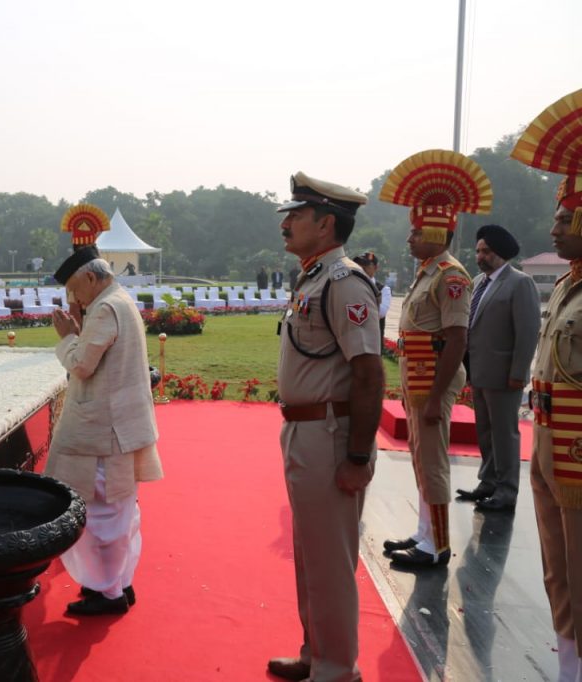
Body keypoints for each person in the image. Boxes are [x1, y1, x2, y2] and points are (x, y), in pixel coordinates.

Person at [269, 172, 383, 682]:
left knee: (330, 561)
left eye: (296, 215)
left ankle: (338, 669)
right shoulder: (313, 277)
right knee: (310, 554)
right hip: (304, 431)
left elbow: (368, 372)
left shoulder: (344, 281)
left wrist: (357, 456)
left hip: (331, 434)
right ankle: (316, 653)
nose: (286, 223)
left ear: (327, 223)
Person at [378, 149, 492, 568]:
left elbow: (458, 339)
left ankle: (437, 546)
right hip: (418, 381)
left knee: (434, 464)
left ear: (434, 232)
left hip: (433, 384)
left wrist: (435, 396)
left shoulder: (451, 276)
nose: (408, 239)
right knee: (420, 462)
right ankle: (425, 532)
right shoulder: (428, 271)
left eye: (414, 232)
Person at [44, 246, 163, 616]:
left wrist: (66, 336)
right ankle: (118, 584)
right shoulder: (117, 301)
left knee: (103, 515)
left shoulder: (107, 307)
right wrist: (80, 330)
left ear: (91, 278)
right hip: (118, 427)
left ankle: (109, 593)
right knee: (120, 511)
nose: (72, 298)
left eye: (74, 289)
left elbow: (81, 365)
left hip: (104, 433)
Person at [510, 88, 582, 682]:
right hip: (551, 447)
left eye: (563, 218)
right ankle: (566, 662)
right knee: (558, 565)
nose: (553, 228)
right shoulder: (564, 286)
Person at [455, 225, 540, 512]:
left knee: (504, 433)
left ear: (500, 253)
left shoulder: (519, 283)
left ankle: (507, 490)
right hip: (479, 371)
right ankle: (488, 481)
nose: (480, 256)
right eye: (479, 250)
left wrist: (519, 372)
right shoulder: (479, 281)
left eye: (486, 251)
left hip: (505, 375)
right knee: (485, 431)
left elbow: (527, 332)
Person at [352, 252, 391, 348]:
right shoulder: (349, 286)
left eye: (365, 265)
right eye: (359, 264)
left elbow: (380, 313)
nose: (361, 268)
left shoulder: (383, 289)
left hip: (372, 342)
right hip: (351, 339)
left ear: (376, 268)